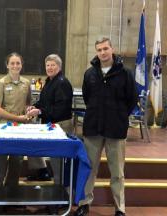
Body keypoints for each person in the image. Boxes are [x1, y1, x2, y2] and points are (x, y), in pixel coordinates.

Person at [74, 38, 138, 216]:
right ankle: (84, 203)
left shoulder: (125, 73)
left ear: (112, 49)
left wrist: (118, 115)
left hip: (115, 129)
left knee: (117, 172)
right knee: (89, 169)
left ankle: (120, 208)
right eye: (99, 50)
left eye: (105, 48)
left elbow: (132, 99)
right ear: (96, 52)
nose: (103, 52)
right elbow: (88, 98)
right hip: (93, 128)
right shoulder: (90, 74)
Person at [27, 54, 73, 184]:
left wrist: (40, 111)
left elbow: (60, 109)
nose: (50, 67)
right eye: (47, 65)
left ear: (59, 66)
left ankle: (62, 195)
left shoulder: (62, 83)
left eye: (53, 65)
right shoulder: (49, 81)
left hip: (61, 126)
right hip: (51, 124)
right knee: (52, 158)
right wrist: (34, 107)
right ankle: (43, 172)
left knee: (59, 162)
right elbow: (43, 102)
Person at [0, 52, 33, 187]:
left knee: (17, 161)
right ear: (7, 65)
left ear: (21, 65)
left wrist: (29, 112)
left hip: (21, 127)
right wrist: (17, 118)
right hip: (4, 127)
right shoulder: (1, 83)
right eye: (12, 63)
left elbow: (28, 104)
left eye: (18, 63)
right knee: (0, 160)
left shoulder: (26, 83)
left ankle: (10, 194)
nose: (15, 66)